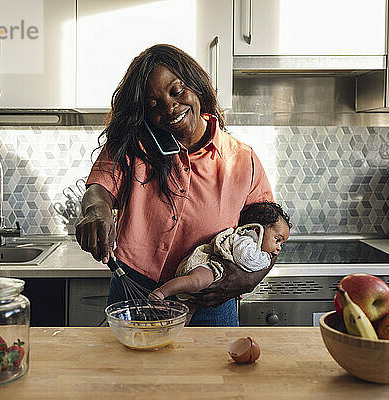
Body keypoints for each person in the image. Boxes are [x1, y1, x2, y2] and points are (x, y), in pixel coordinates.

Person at [76, 44, 275, 326]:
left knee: (214, 371)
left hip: (211, 299)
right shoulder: (132, 145)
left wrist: (249, 278)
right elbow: (99, 189)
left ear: (196, 86)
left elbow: (270, 230)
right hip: (135, 290)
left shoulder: (242, 159)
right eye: (153, 104)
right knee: (128, 371)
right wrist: (96, 210)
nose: (169, 107)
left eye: (177, 91)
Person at [151, 202, 291, 319]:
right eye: (277, 240)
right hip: (209, 265)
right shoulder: (247, 238)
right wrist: (267, 258)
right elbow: (245, 259)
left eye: (281, 244)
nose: (278, 248)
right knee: (196, 282)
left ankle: (183, 323)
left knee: (192, 304)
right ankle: (162, 293)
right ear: (257, 229)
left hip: (217, 277)